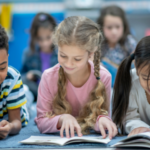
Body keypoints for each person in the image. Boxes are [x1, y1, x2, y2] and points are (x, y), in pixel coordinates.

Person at [35, 16, 117, 139]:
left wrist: (102, 121)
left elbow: (103, 115)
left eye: (77, 59)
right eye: (63, 55)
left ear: (91, 54)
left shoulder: (103, 77)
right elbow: (41, 122)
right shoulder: (48, 77)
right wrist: (62, 119)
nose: (68, 64)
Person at [112, 36, 150, 136]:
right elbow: (129, 118)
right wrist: (138, 127)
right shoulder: (130, 81)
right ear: (137, 69)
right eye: (146, 78)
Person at [0, 25, 29, 139]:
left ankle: (25, 91)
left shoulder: (11, 77)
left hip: (18, 113)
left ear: (7, 57)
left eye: (2, 68)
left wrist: (10, 127)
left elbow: (16, 121)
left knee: (28, 99)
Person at [21, 12, 58, 100]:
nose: (45, 43)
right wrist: (27, 76)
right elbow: (19, 78)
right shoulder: (28, 53)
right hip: (35, 96)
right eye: (40, 39)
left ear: (55, 34)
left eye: (48, 37)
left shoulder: (61, 54)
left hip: (56, 96)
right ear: (34, 37)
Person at [97, 5, 137, 86]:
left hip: (125, 85)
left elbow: (138, 64)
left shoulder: (129, 42)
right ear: (101, 27)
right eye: (109, 27)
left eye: (117, 27)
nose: (114, 32)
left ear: (124, 26)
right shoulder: (97, 43)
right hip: (103, 86)